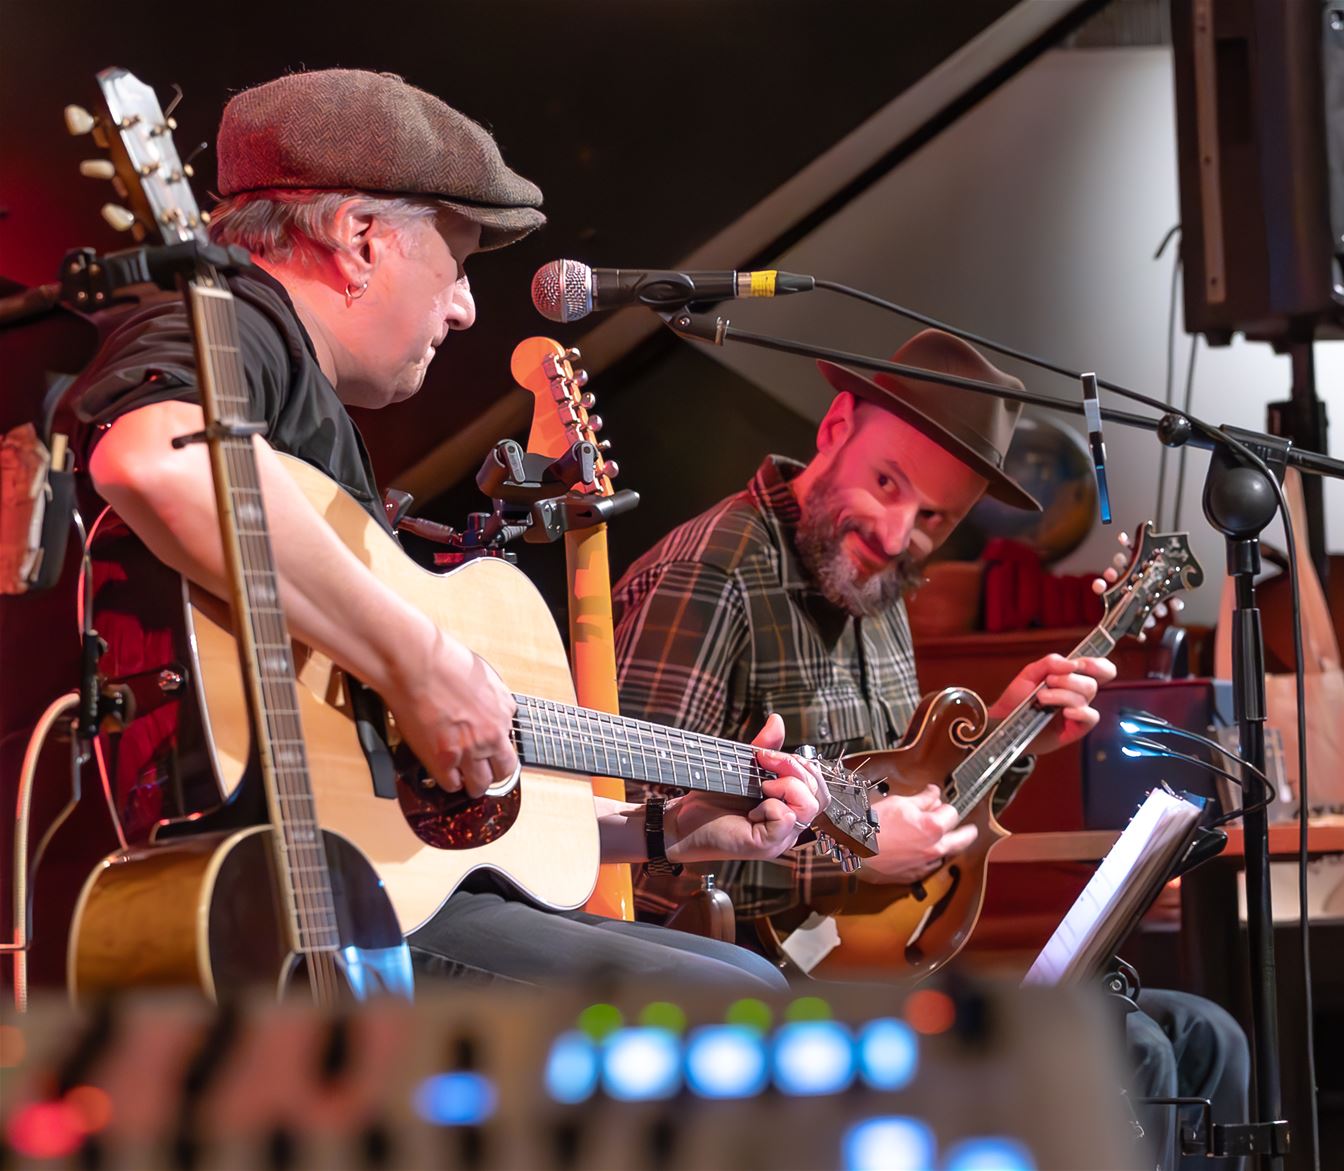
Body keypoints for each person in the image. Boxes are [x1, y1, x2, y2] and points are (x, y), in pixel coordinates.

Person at [73, 67, 825, 993]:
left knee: (740, 974)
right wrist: (420, 663)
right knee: (741, 998)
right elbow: (155, 457)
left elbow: (401, 814)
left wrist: (665, 830)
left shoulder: (310, 417)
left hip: (373, 889)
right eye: (458, 263)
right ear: (360, 239)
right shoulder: (237, 324)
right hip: (277, 906)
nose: (466, 307)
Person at [613, 328, 1249, 1168]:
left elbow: (902, 802)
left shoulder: (874, 580)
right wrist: (848, 853)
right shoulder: (714, 575)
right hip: (753, 1006)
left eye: (934, 518)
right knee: (1130, 1053)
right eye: (887, 482)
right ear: (836, 426)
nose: (896, 532)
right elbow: (623, 854)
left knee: (1206, 1036)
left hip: (873, 981)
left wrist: (1012, 736)